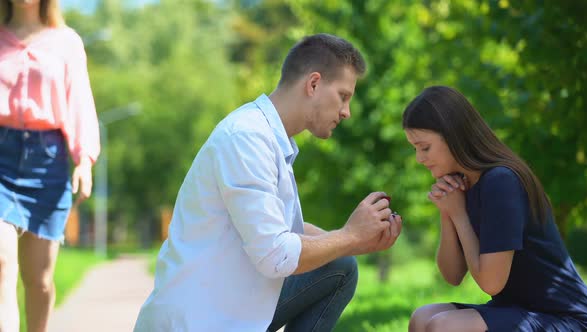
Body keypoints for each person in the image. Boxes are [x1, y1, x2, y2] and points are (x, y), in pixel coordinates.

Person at [134, 33, 403, 332]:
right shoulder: (247, 137)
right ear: (313, 84)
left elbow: (287, 232)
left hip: (226, 310)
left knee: (340, 267)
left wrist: (356, 239)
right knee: (338, 264)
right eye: (343, 96)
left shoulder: (271, 139)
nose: (346, 112)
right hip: (198, 321)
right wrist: (349, 237)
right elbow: (276, 255)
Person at [403, 85, 587, 332]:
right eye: (415, 148)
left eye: (425, 147)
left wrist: (459, 214)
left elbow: (491, 283)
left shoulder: (501, 181)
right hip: (515, 309)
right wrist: (448, 211)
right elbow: (452, 275)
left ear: (454, 136)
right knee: (422, 317)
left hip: (565, 318)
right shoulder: (463, 184)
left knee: (444, 326)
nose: (419, 158)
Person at [0, 0, 100, 331]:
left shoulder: (66, 41)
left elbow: (80, 101)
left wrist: (84, 160)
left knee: (39, 283)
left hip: (48, 165)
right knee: (2, 264)